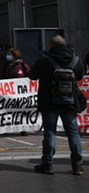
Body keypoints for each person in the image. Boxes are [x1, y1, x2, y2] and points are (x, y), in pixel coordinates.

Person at [29, 35, 85, 176]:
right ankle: (77, 165)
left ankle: (47, 164)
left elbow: (32, 75)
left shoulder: (46, 60)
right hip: (70, 102)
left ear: (51, 45)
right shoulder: (75, 60)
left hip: (50, 103)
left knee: (50, 132)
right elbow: (80, 75)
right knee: (73, 133)